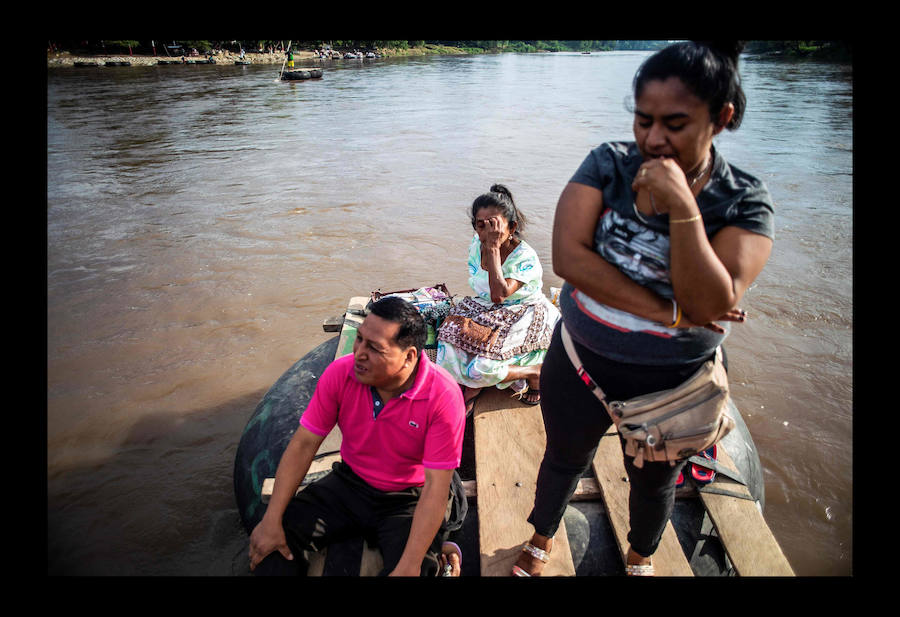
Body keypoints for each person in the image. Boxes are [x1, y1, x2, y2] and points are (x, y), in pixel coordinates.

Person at [512, 41, 774, 577]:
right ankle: (540, 541)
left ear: (720, 118)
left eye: (674, 124)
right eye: (643, 120)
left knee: (654, 480)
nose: (653, 139)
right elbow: (569, 259)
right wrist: (672, 314)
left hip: (673, 384)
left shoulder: (742, 200)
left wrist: (682, 204)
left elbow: (712, 301)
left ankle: (640, 557)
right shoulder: (608, 163)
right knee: (563, 459)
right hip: (580, 360)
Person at [249, 296, 466, 576]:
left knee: (418, 569)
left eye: (374, 348)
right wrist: (272, 519)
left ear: (409, 356)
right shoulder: (341, 374)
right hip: (350, 483)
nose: (359, 353)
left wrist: (410, 565)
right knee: (273, 550)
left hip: (410, 496)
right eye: (360, 339)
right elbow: (303, 444)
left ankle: (442, 550)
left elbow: (437, 487)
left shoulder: (443, 396)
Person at [436, 184, 560, 413]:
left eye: (494, 226)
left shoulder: (525, 257)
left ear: (512, 227)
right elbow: (487, 295)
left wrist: (493, 248)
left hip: (523, 310)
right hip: (486, 308)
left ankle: (533, 371)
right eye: (480, 226)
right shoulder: (476, 244)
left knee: (480, 368)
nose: (486, 234)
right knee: (445, 342)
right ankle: (474, 386)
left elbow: (499, 295)